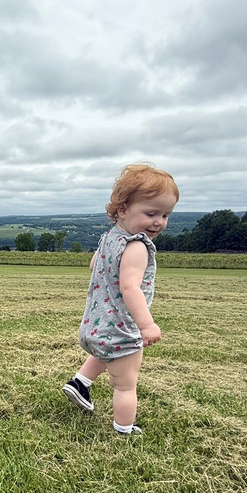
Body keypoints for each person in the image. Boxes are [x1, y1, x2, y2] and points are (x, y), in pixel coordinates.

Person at [61, 164, 179, 435]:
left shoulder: (109, 238)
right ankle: (123, 428)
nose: (159, 222)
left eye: (166, 215)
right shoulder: (137, 246)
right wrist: (146, 325)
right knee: (126, 384)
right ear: (123, 210)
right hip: (120, 329)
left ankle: (80, 383)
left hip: (95, 325)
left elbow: (94, 265)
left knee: (106, 353)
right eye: (151, 213)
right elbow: (130, 288)